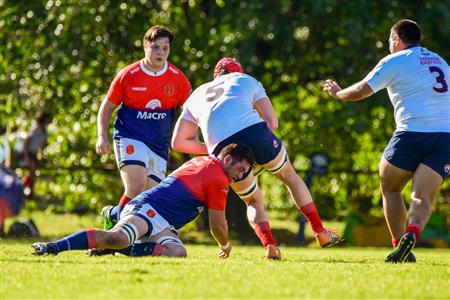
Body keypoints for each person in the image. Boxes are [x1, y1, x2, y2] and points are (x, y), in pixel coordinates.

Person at [171, 57, 342, 259]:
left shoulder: (197, 94)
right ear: (238, 72)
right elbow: (272, 122)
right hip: (254, 131)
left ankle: (270, 245)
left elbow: (178, 143)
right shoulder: (246, 80)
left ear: (215, 76)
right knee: (290, 177)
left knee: (253, 200)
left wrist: (212, 148)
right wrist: (259, 148)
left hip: (221, 147)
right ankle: (320, 231)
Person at [323, 19, 450, 263]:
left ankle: (398, 244)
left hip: (412, 132)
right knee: (422, 197)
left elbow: (363, 89)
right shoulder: (440, 62)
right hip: (445, 137)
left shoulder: (396, 59)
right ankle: (412, 233)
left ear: (396, 40)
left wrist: (337, 93)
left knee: (390, 186)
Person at [32, 143, 255, 258]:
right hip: (148, 209)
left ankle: (111, 244)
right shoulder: (218, 178)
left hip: (164, 223)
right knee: (118, 238)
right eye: (240, 169)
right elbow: (217, 224)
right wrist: (225, 245)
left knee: (178, 253)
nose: (240, 175)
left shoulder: (205, 161)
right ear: (227, 160)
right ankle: (52, 247)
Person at [96, 25, 191, 228]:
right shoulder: (128, 75)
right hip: (130, 136)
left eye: (165, 48)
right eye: (156, 47)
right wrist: (101, 136)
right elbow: (107, 107)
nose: (160, 52)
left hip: (158, 145)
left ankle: (113, 215)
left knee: (148, 199)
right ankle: (113, 234)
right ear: (145, 46)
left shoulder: (177, 78)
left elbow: (193, 111)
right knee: (136, 186)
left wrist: (195, 139)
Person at [21, 112, 53, 197]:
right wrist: (26, 156)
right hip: (27, 152)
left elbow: (41, 147)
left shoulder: (44, 132)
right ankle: (24, 187)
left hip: (34, 153)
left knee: (34, 171)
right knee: (32, 167)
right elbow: (26, 141)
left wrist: (41, 158)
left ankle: (28, 189)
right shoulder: (36, 128)